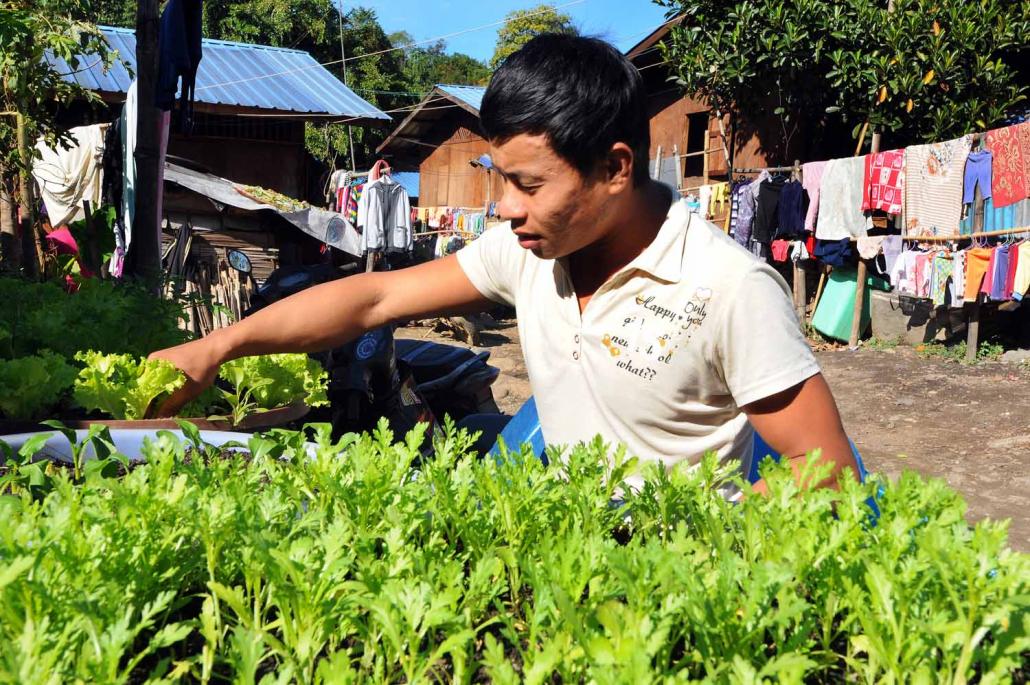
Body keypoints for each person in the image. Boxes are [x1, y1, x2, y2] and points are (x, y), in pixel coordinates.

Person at [151, 35, 858, 494]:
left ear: (614, 169)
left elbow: (822, 470)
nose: (504, 207)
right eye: (498, 177)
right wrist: (221, 345)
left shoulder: (728, 287)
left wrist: (688, 550)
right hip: (557, 554)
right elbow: (371, 299)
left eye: (527, 184)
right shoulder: (529, 253)